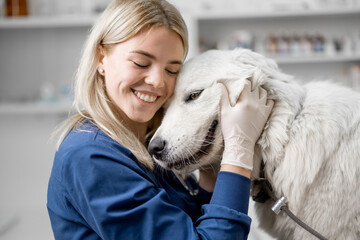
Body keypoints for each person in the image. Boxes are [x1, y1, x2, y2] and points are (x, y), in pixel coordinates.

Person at [47, 0, 274, 239]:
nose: (158, 81)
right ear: (101, 58)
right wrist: (239, 150)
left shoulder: (146, 141)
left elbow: (195, 224)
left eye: (172, 70)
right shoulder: (90, 157)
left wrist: (209, 166)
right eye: (141, 63)